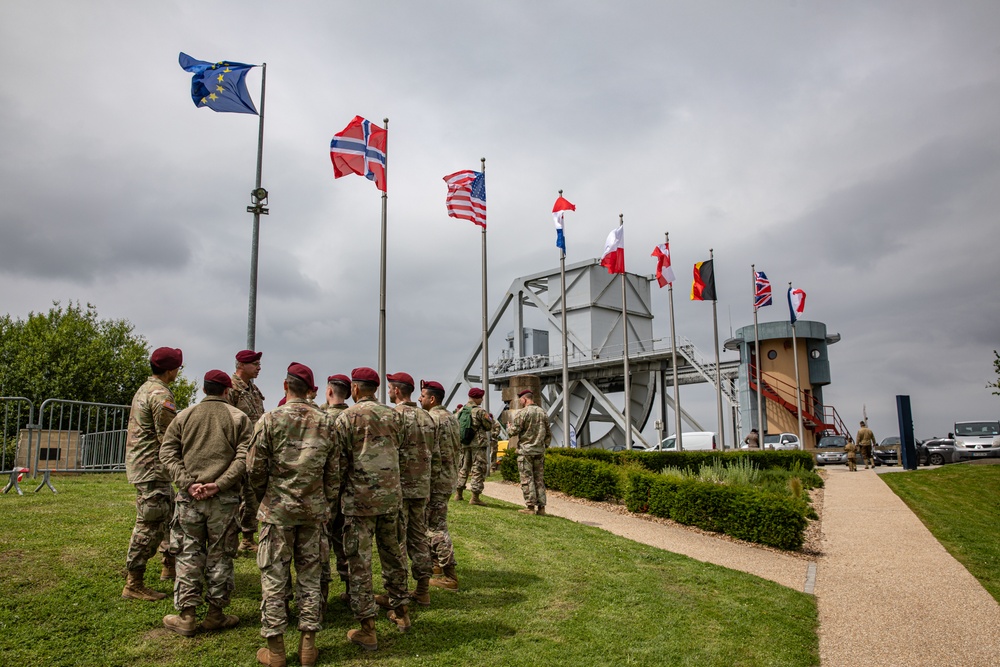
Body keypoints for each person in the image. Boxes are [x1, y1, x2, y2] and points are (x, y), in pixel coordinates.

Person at [249, 363, 340, 667]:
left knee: (274, 578)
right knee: (311, 579)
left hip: (277, 511)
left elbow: (255, 468)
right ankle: (308, 648)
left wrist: (266, 495)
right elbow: (334, 473)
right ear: (310, 389)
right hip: (313, 512)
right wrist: (324, 501)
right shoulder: (326, 422)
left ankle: (275, 651)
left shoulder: (270, 419)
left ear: (285, 386)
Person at [159, 370, 251, 636]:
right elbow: (244, 458)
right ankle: (215, 614)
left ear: (204, 389)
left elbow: (167, 452)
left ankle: (186, 616)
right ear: (226, 391)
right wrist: (219, 484)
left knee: (188, 554)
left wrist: (187, 482)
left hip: (190, 499)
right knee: (220, 555)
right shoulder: (239, 418)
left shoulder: (184, 416)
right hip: (224, 500)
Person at [336, 367, 411, 651]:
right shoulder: (395, 416)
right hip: (391, 498)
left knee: (360, 563)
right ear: (376, 389)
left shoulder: (347, 417)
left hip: (359, 501)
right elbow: (399, 448)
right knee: (394, 556)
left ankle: (368, 628)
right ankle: (402, 613)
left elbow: (341, 458)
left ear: (355, 388)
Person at [122, 346, 182, 602]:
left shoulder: (146, 388)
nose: (179, 371)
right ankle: (133, 582)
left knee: (168, 518)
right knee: (149, 525)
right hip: (153, 468)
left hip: (149, 467)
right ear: (170, 370)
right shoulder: (160, 394)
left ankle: (169, 566)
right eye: (179, 367)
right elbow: (169, 436)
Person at [382, 372, 434, 608]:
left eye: (391, 387)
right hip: (421, 485)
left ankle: (397, 592)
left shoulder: (393, 416)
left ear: (397, 391)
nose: (389, 391)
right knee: (419, 537)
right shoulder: (427, 417)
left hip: (400, 486)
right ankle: (423, 590)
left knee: (397, 542)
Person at [418, 379, 461, 592]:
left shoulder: (432, 419)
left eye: (423, 395)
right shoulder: (451, 417)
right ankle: (436, 566)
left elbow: (430, 454)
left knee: (435, 527)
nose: (419, 398)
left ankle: (449, 575)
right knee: (433, 523)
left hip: (435, 481)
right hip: (448, 478)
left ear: (432, 399)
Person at [319, 374, 352, 609]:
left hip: (324, 492)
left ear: (329, 392)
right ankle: (353, 591)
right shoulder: (356, 418)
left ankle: (320, 596)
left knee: (321, 543)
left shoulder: (320, 420)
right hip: (351, 491)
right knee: (347, 542)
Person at [229, 349, 266, 554]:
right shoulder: (232, 389)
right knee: (234, 495)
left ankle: (248, 537)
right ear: (241, 365)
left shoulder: (253, 389)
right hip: (236, 449)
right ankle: (231, 537)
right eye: (255, 364)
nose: (259, 368)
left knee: (250, 495)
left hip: (254, 448)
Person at [508, 389, 552, 516]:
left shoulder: (522, 413)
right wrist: (544, 446)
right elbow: (548, 433)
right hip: (539, 451)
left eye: (520, 399)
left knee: (527, 479)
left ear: (525, 399)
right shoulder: (543, 412)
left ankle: (530, 507)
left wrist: (509, 427)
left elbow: (513, 432)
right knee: (539, 479)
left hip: (526, 451)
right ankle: (542, 508)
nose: (520, 402)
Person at [455, 387, 493, 506]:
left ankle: (458, 493)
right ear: (476, 398)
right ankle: (475, 497)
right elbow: (488, 426)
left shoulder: (461, 410)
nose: (482, 400)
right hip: (478, 444)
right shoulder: (480, 411)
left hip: (464, 443)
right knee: (478, 468)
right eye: (481, 397)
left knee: (463, 467)